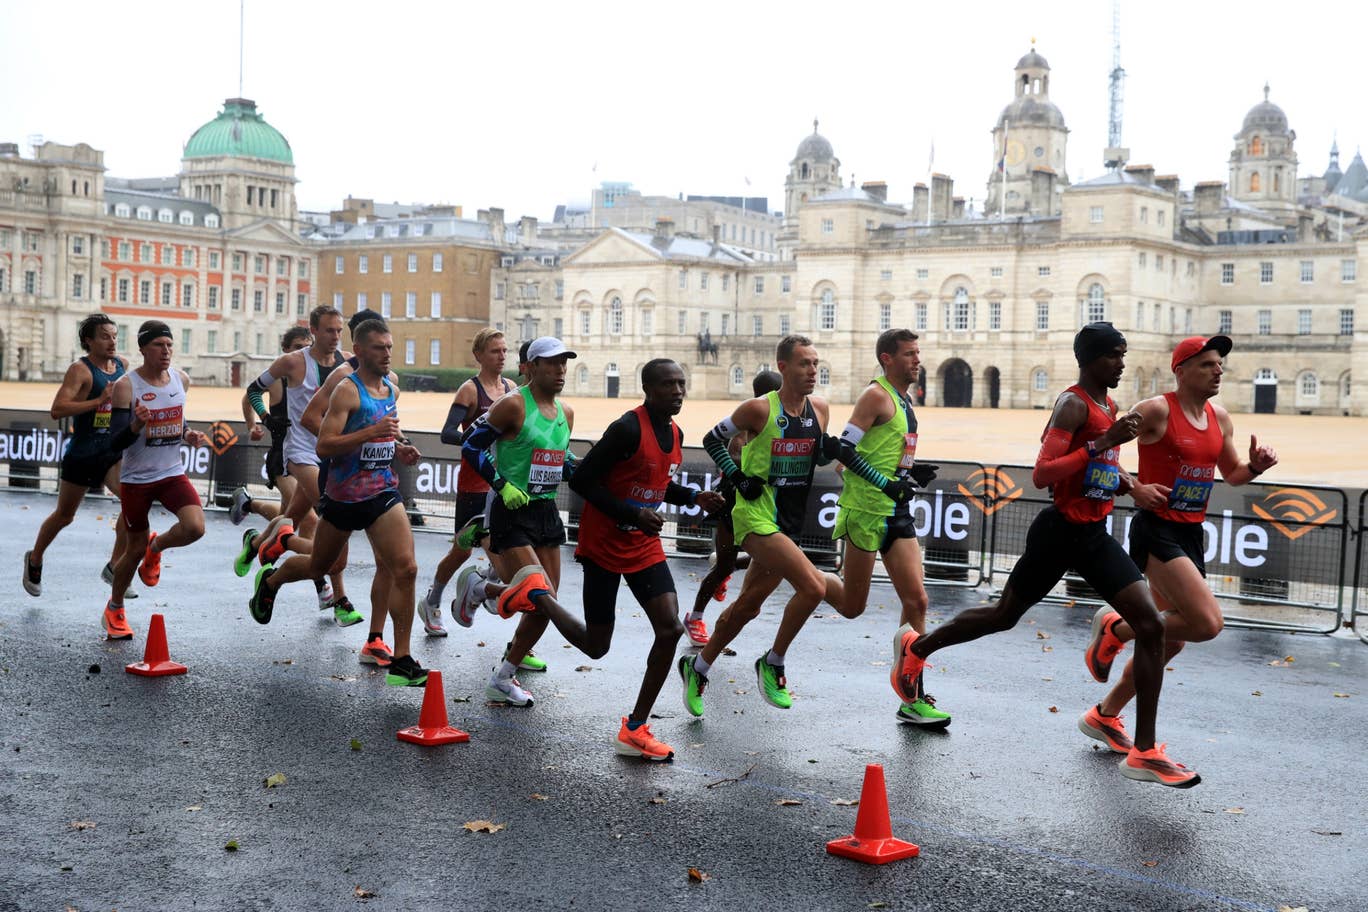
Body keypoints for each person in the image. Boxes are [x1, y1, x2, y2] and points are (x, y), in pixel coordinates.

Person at [891, 323, 1198, 787]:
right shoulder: (1073, 404)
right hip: (1059, 532)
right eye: (1114, 355)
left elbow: (1101, 466)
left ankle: (1145, 751)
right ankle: (918, 648)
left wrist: (1130, 483)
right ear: (1091, 359)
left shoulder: (1109, 406)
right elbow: (1042, 474)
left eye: (1124, 354)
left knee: (1152, 625)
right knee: (1003, 616)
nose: (1121, 363)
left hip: (1094, 534)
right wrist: (1103, 442)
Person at [1083, 334, 1277, 778]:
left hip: (1191, 534)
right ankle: (1119, 626)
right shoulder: (1155, 411)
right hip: (1156, 532)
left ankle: (1104, 714)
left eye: (1220, 364)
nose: (1218, 371)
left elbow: (1232, 474)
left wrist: (1256, 468)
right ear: (1181, 370)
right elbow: (1101, 450)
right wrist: (1136, 487)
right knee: (1207, 623)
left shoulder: (1219, 417)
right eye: (1208, 364)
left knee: (1172, 639)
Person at [555, 359, 725, 758]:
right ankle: (539, 598)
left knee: (669, 630)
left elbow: (658, 484)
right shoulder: (626, 428)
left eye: (682, 383)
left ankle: (635, 727)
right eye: (669, 385)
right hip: (603, 546)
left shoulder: (676, 432)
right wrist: (632, 514)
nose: (678, 391)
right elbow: (580, 480)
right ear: (648, 388)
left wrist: (692, 497)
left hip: (643, 546)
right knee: (597, 647)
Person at [247, 318, 429, 686]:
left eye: (390, 347)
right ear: (359, 351)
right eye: (379, 348)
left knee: (406, 568)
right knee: (320, 566)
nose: (387, 354)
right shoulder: (347, 389)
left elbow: (388, 431)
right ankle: (272, 581)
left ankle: (403, 659)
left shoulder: (390, 391)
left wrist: (401, 448)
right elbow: (324, 445)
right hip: (344, 495)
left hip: (381, 491)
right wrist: (368, 434)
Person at [678, 335, 847, 717]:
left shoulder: (820, 409)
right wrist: (738, 478)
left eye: (816, 363)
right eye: (804, 363)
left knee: (748, 607)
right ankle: (774, 661)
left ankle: (698, 667)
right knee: (814, 586)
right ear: (783, 366)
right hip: (754, 516)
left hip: (789, 520)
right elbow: (711, 439)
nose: (812, 371)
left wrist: (830, 451)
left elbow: (814, 458)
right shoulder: (758, 409)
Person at [831, 329, 948, 727]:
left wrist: (912, 469)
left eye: (918, 353)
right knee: (851, 606)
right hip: (865, 511)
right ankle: (804, 575)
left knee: (917, 602)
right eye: (910, 354)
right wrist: (884, 482)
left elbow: (882, 452)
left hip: (895, 511)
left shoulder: (904, 399)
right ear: (887, 358)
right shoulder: (875, 395)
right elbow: (842, 453)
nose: (918, 360)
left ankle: (911, 696)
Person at [459, 336, 577, 706]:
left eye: (563, 363)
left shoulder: (566, 413)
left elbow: (561, 457)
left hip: (545, 510)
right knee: (541, 597)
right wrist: (501, 484)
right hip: (510, 509)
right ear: (530, 367)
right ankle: (482, 594)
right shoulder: (512, 405)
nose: (559, 370)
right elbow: (471, 446)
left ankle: (484, 596)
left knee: (548, 601)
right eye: (551, 363)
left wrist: (581, 469)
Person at [241, 305, 356, 625]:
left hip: (331, 454)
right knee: (331, 520)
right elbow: (253, 390)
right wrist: (264, 419)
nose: (335, 337)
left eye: (339, 330)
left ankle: (262, 548)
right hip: (300, 452)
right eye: (329, 330)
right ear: (314, 331)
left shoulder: (347, 362)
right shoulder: (292, 362)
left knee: (292, 518)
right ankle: (337, 596)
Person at [100, 321, 209, 639]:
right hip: (137, 479)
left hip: (172, 472)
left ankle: (156, 546)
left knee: (195, 527)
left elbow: (177, 417)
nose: (166, 351)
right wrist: (135, 425)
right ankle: (115, 607)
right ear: (143, 349)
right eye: (159, 345)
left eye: (169, 345)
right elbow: (114, 442)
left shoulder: (181, 379)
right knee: (131, 550)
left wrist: (188, 433)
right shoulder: (126, 386)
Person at [24, 314, 138, 600]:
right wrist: (98, 401)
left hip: (111, 450)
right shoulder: (80, 370)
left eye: (114, 335)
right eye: (104, 336)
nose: (112, 341)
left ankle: (114, 565)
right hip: (83, 451)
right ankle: (35, 559)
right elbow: (58, 409)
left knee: (133, 503)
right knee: (65, 516)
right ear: (88, 340)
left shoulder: (122, 366)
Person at [416, 328, 516, 636]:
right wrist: (476, 441)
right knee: (462, 553)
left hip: (504, 485)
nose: (501, 356)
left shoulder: (512, 388)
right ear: (479, 356)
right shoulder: (470, 391)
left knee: (505, 554)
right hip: (474, 486)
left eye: (504, 351)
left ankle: (483, 584)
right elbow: (447, 432)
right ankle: (436, 600)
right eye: (494, 351)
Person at [684, 370, 781, 646]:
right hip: (734, 500)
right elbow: (728, 454)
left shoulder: (785, 422)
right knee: (725, 563)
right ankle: (696, 617)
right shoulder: (745, 423)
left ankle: (725, 569)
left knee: (777, 559)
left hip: (766, 502)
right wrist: (745, 474)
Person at [229, 326, 309, 530]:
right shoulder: (276, 378)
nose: (302, 353)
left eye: (308, 348)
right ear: (285, 349)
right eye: (298, 347)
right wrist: (254, 425)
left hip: (310, 457)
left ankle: (248, 504)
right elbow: (249, 398)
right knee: (306, 518)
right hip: (283, 458)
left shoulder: (316, 380)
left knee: (287, 516)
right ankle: (305, 560)